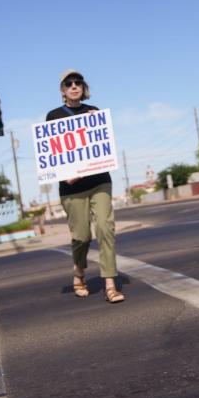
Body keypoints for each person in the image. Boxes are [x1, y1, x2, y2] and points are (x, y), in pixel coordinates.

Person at [46, 70, 125, 304]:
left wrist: (95, 122)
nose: (74, 86)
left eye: (77, 82)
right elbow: (52, 152)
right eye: (68, 84)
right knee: (81, 236)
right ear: (62, 90)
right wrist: (64, 175)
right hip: (72, 188)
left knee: (105, 228)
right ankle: (79, 273)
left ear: (83, 87)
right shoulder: (54, 116)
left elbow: (102, 145)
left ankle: (110, 284)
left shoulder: (94, 112)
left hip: (99, 181)